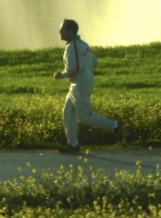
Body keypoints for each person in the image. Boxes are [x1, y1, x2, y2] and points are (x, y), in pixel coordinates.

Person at [53, 19, 125, 153]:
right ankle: (73, 145)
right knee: (68, 112)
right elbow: (95, 62)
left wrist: (61, 75)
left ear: (70, 31)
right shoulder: (83, 44)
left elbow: (74, 68)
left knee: (86, 116)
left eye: (62, 29)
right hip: (78, 85)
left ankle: (116, 125)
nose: (60, 32)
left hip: (79, 85)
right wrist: (88, 74)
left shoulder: (72, 45)